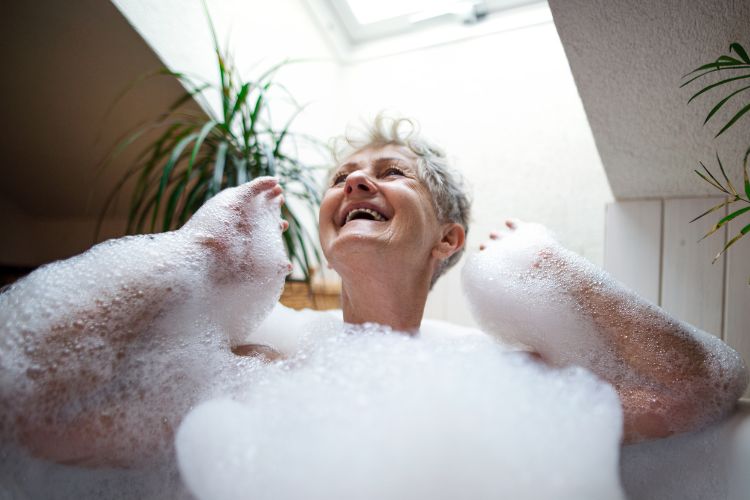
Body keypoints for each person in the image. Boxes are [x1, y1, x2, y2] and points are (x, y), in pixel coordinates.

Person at [0, 115, 747, 469]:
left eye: (392, 173)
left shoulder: (510, 381)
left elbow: (696, 391)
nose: (356, 181)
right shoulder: (253, 367)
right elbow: (33, 413)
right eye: (341, 180)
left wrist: (555, 269)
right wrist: (190, 260)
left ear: (449, 239)